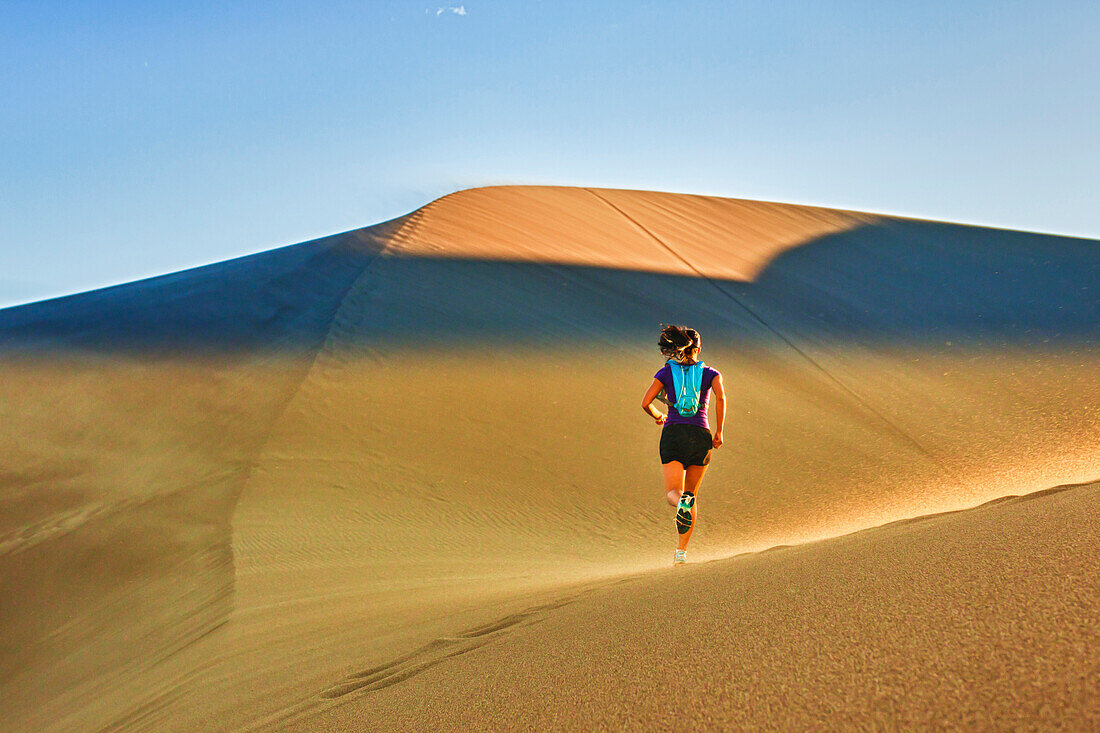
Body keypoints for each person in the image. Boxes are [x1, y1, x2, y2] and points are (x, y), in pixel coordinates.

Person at [640, 325, 725, 564]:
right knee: (692, 495)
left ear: (678, 348)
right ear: (699, 348)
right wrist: (719, 431)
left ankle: (680, 503)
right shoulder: (710, 373)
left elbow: (645, 402)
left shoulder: (665, 373)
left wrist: (658, 414)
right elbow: (721, 397)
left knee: (674, 493)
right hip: (701, 435)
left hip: (674, 433)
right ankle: (681, 552)